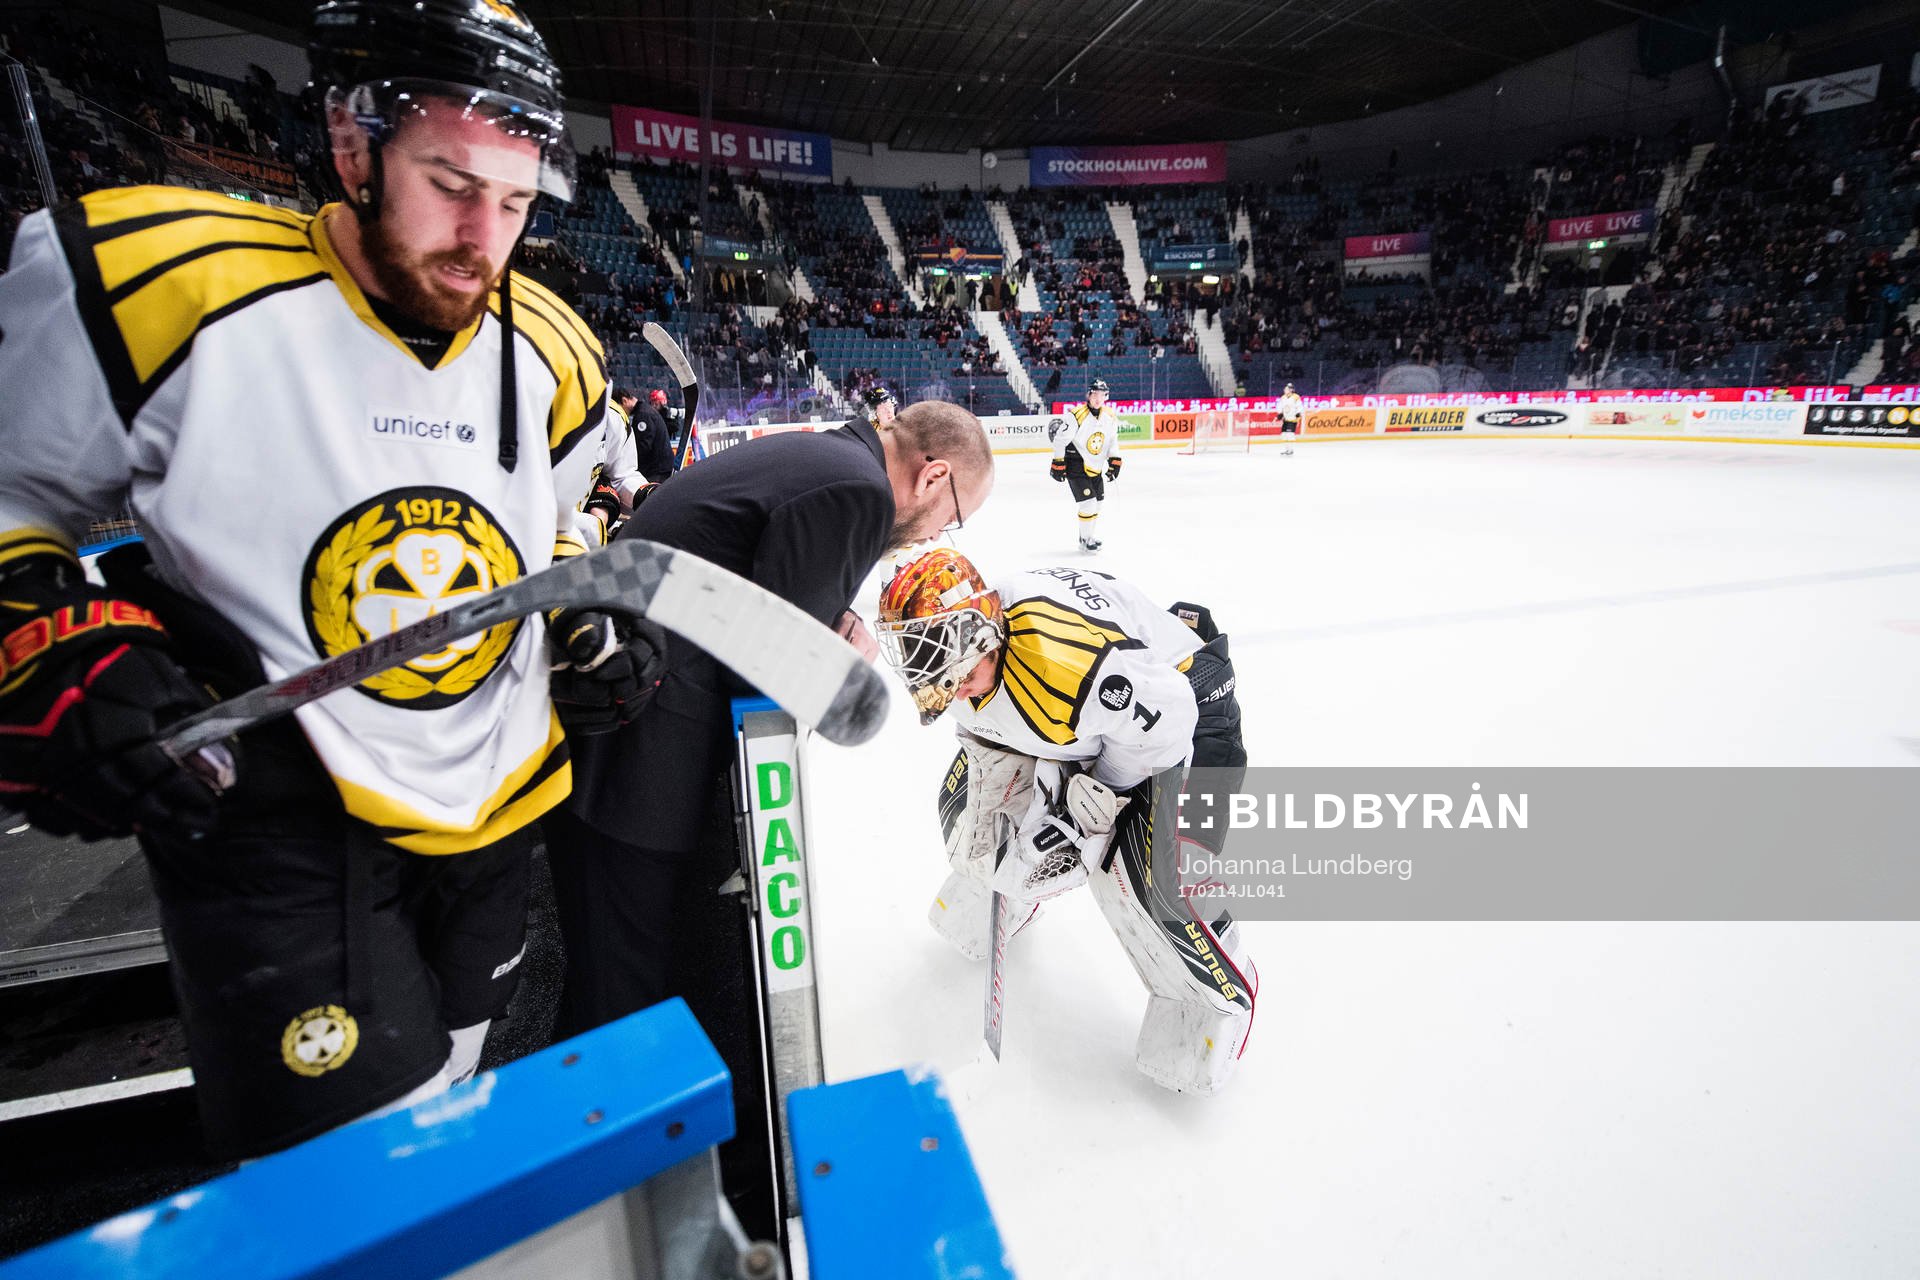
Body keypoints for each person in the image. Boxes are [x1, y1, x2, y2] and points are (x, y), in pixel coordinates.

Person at [0, 0, 621, 1159]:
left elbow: (554, 524)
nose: (486, 235)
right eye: (451, 182)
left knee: (446, 1119)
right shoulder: (157, 282)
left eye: (520, 201)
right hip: (276, 822)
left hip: (496, 814)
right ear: (351, 142)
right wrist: (57, 641)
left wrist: (578, 608)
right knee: (354, 1185)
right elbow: (12, 497)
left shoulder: (555, 344)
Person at [544, 399, 993, 1231]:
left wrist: (830, 622)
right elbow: (781, 677)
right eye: (952, 516)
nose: (937, 537)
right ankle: (600, 1209)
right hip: (638, 760)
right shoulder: (855, 493)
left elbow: (759, 601)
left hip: (628, 734)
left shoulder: (822, 461)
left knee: (627, 970)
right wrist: (839, 662)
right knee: (621, 986)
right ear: (932, 475)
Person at [874, 550, 1257, 1094]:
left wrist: (1100, 795)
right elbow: (994, 731)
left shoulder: (1069, 668)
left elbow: (1170, 717)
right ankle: (1013, 901)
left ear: (984, 634)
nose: (947, 686)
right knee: (964, 813)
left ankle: (1215, 985)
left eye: (957, 673)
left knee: (1144, 877)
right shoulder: (959, 660)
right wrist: (1002, 834)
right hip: (1101, 722)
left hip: (1187, 712)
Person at [1048, 377, 1124, 552]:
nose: (1098, 398)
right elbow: (1060, 440)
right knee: (1088, 503)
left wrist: (1115, 460)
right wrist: (1058, 462)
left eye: (1102, 395)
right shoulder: (1076, 415)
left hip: (1095, 465)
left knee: (1097, 503)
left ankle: (1089, 536)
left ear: (1106, 396)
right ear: (1089, 395)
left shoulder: (1110, 416)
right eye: (1095, 394)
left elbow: (1112, 440)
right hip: (1076, 464)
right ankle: (1084, 540)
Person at [1277, 382, 1303, 456]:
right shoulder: (1283, 397)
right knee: (1284, 434)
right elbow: (1280, 406)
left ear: (1291, 390)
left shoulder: (1296, 397)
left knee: (1290, 434)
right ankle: (1287, 449)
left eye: (1287, 389)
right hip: (1286, 419)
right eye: (1285, 389)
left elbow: (1299, 406)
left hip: (1292, 419)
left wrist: (1298, 413)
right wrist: (1280, 413)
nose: (1285, 390)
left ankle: (1291, 450)